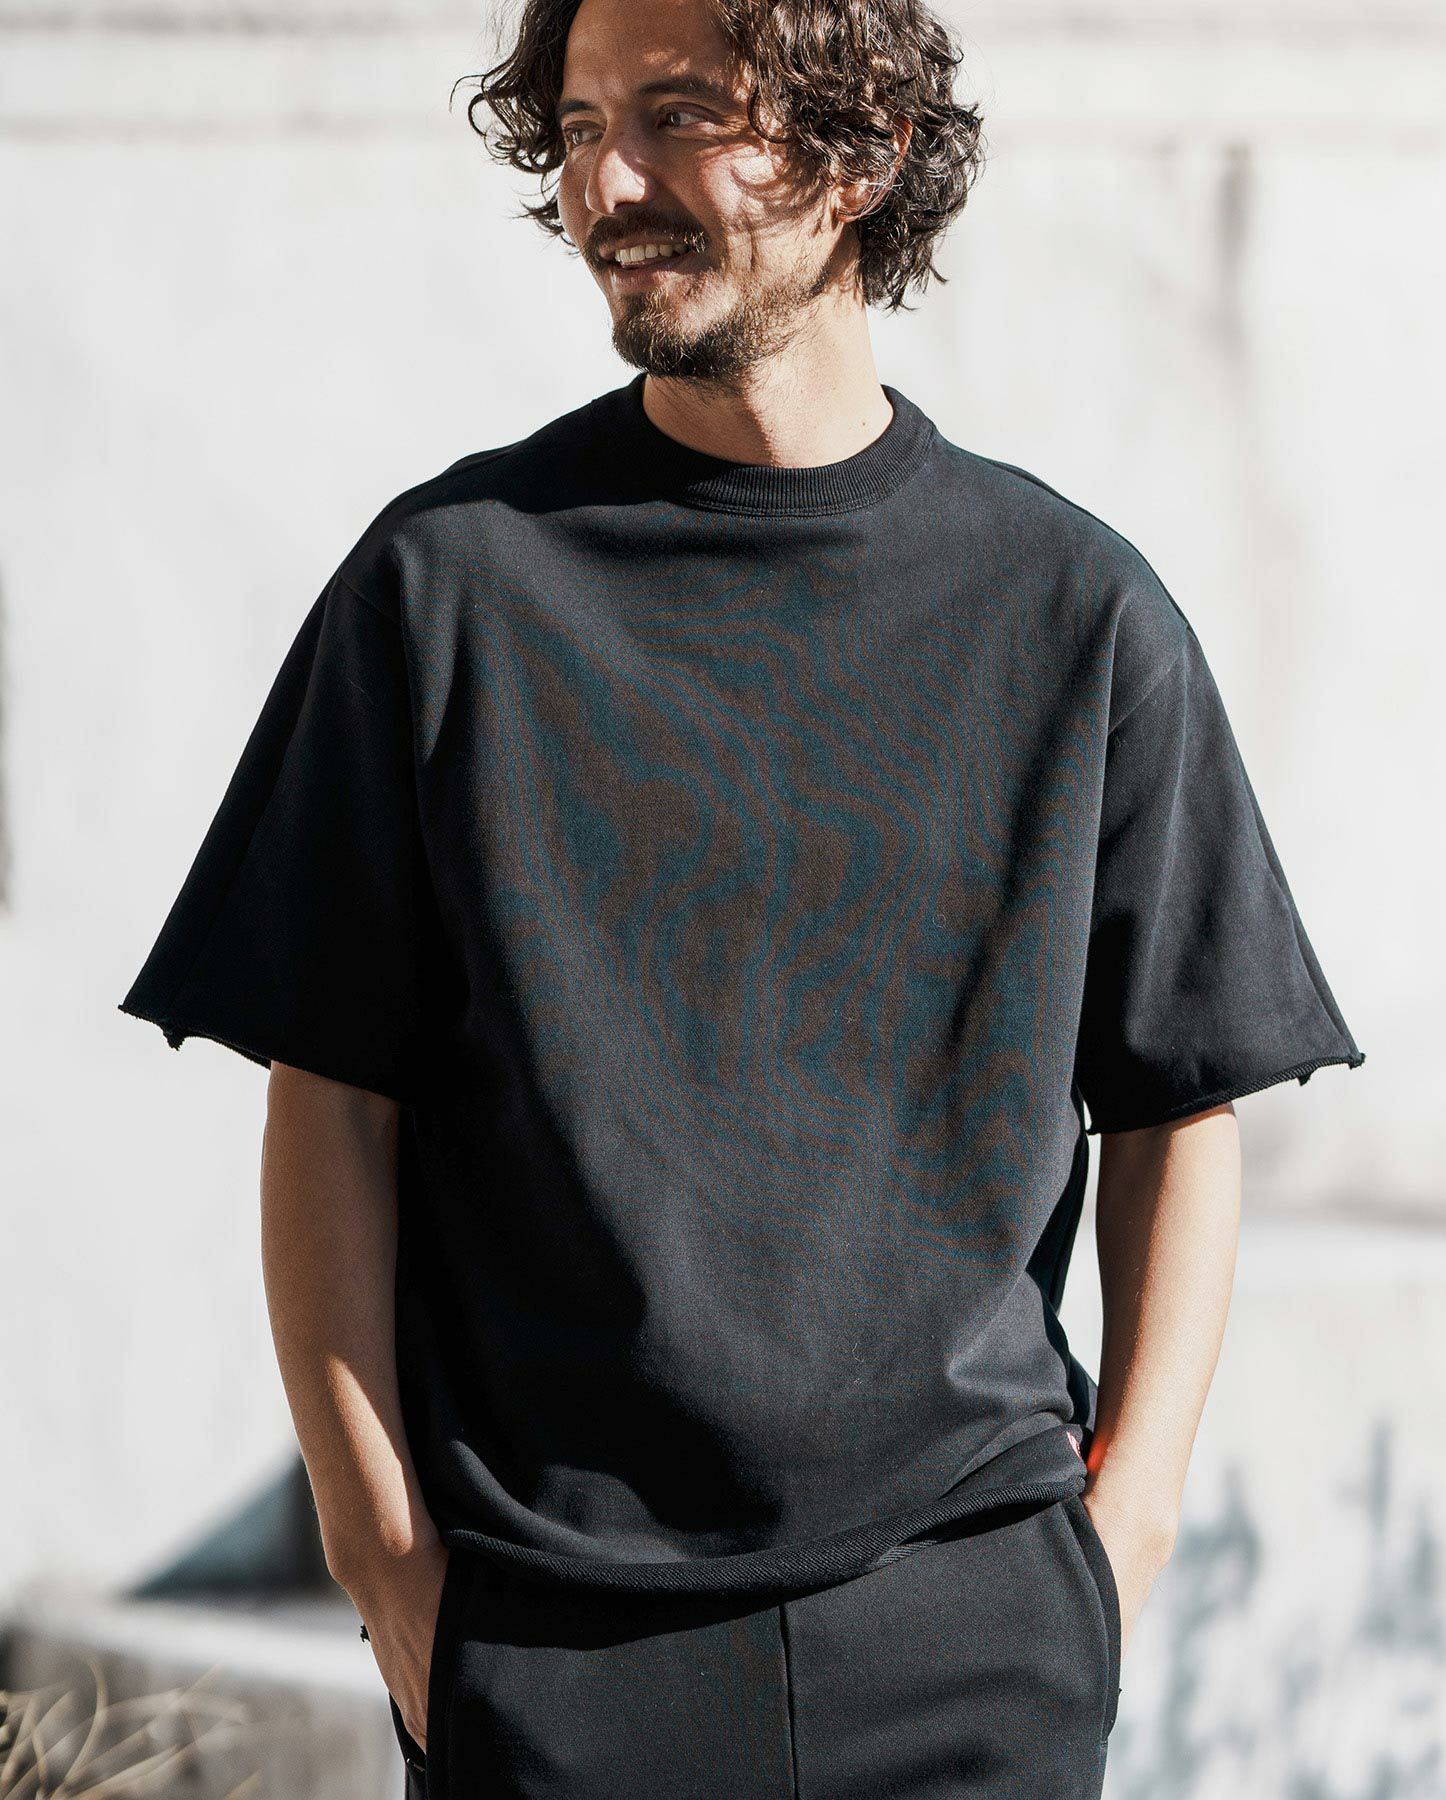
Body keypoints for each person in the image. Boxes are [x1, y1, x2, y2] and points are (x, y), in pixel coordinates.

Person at [119, 0, 1365, 1792]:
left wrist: (1124, 1538)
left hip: (974, 1638)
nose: (607, 182)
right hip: (553, 1652)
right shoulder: (446, 593)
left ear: (860, 154)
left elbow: (1183, 1098)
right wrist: (384, 1555)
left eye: (679, 115)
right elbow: (330, 1101)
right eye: (577, 126)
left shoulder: (1075, 616)